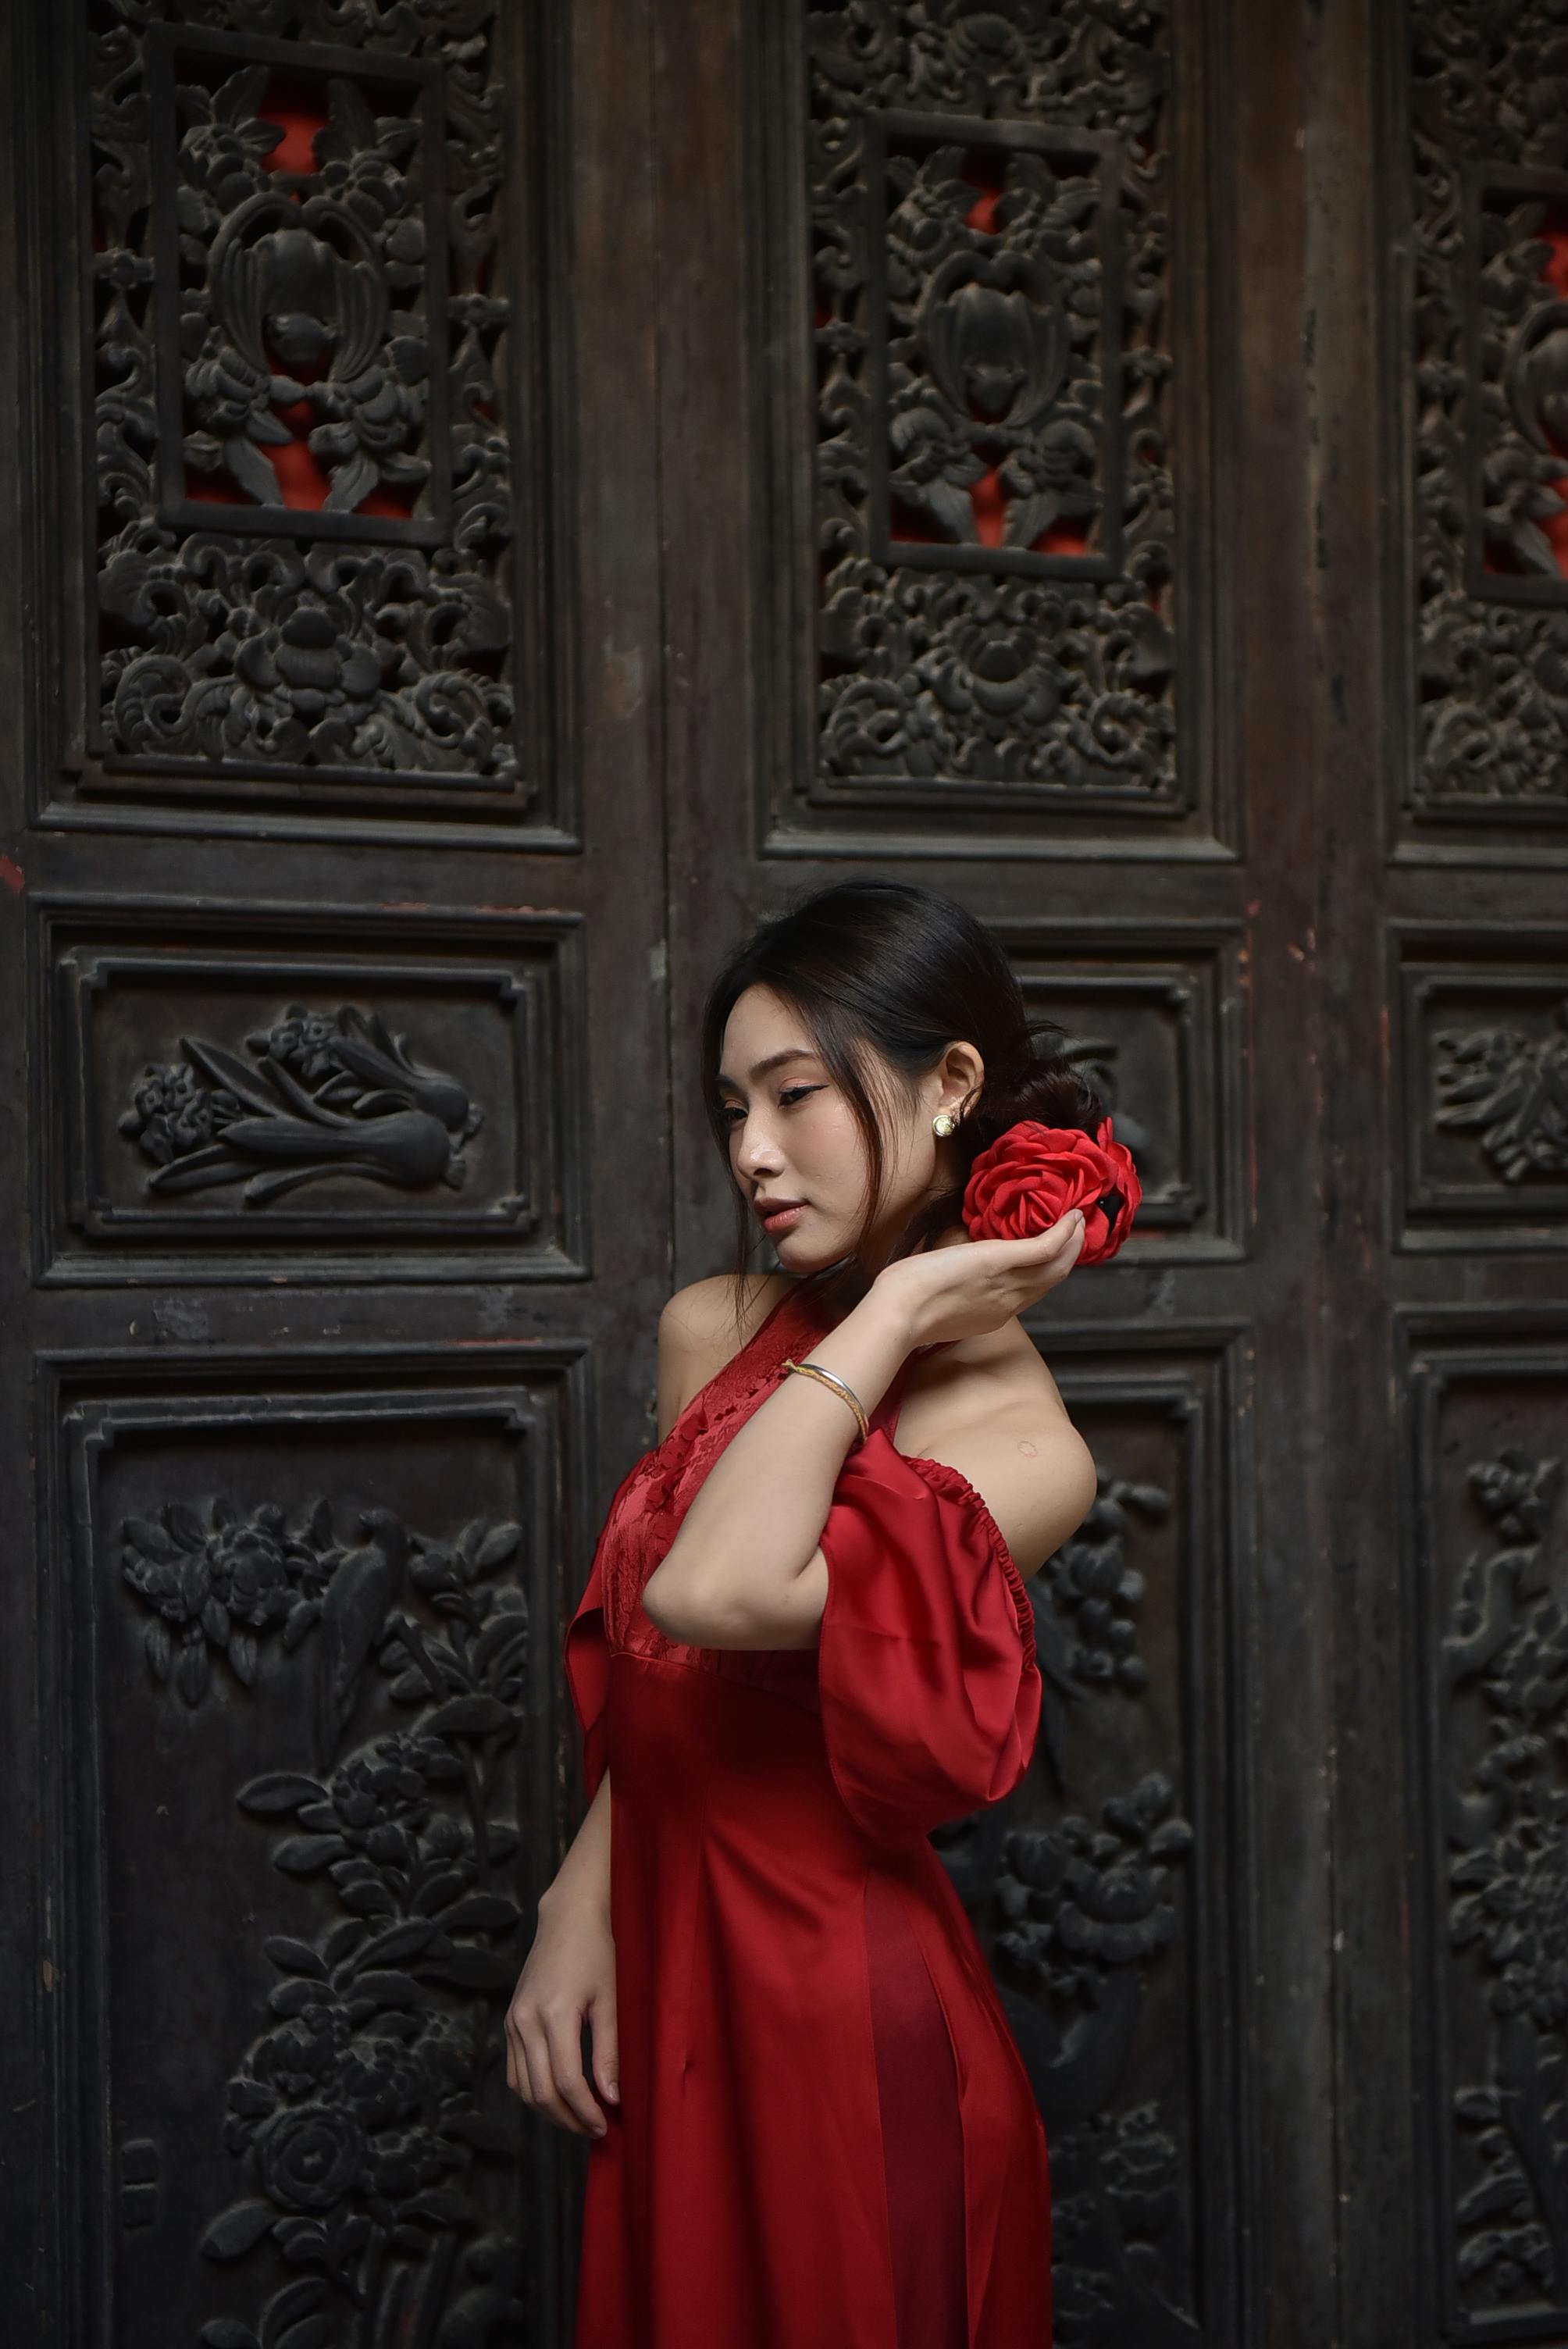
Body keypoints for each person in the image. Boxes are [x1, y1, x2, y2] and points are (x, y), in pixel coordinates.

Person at [506, 877, 1103, 2348]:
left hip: (843, 2022)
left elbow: (717, 1590)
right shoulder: (708, 1327)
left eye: (795, 1096)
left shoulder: (1025, 1448)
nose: (753, 1154)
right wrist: (580, 1902)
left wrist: (894, 1313)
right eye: (733, 1110)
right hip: (672, 1975)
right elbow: (667, 1665)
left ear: (950, 1085)